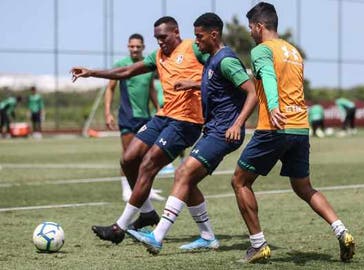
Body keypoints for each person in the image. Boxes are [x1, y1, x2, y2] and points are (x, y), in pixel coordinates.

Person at [229, 2, 355, 263]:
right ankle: (341, 230)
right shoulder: (294, 52)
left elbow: (269, 78)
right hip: (299, 127)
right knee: (304, 186)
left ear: (260, 26)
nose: (250, 32)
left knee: (240, 181)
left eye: (251, 27)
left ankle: (258, 245)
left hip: (274, 126)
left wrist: (273, 107)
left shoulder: (262, 49)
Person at [128, 12, 257, 254]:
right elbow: (216, 83)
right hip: (213, 130)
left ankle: (157, 236)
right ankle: (208, 237)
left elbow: (252, 92)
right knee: (187, 181)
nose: (195, 41)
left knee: (183, 174)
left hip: (224, 132)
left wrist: (237, 123)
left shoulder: (226, 60)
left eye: (199, 36)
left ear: (213, 34)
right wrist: (192, 84)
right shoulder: (211, 59)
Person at [71, 16, 208, 245]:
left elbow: (217, 71)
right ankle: (146, 213)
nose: (160, 42)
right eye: (157, 39)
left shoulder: (195, 48)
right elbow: (126, 71)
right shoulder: (158, 56)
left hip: (186, 121)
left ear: (176, 31)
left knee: (148, 165)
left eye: (163, 37)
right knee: (128, 160)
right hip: (163, 116)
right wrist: (92, 72)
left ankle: (119, 227)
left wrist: (196, 85)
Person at [103, 33, 164, 202]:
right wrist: (107, 113)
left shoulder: (148, 65)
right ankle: (126, 189)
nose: (135, 49)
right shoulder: (121, 65)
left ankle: (146, 189)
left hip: (146, 117)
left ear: (143, 47)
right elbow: (110, 88)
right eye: (132, 46)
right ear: (128, 47)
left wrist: (158, 109)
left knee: (148, 157)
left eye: (138, 46)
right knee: (128, 156)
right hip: (127, 117)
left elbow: (151, 89)